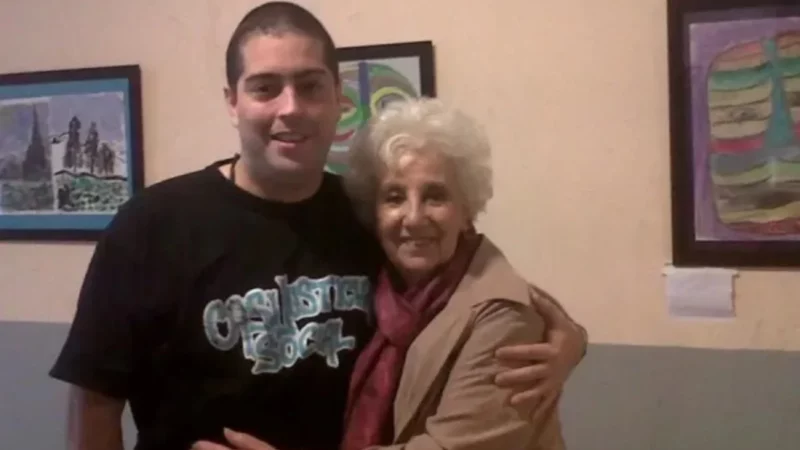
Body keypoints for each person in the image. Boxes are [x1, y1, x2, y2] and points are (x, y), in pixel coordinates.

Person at [49, 2, 588, 450]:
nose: (291, 108)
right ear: (232, 102)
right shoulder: (152, 225)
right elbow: (94, 402)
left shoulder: (366, 214)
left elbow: (475, 284)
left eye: (310, 86)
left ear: (338, 99)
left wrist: (568, 338)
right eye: (265, 88)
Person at [190, 98, 567, 450]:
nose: (413, 218)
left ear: (466, 208)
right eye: (394, 197)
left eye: (435, 196)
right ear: (373, 211)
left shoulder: (503, 314)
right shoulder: (383, 282)